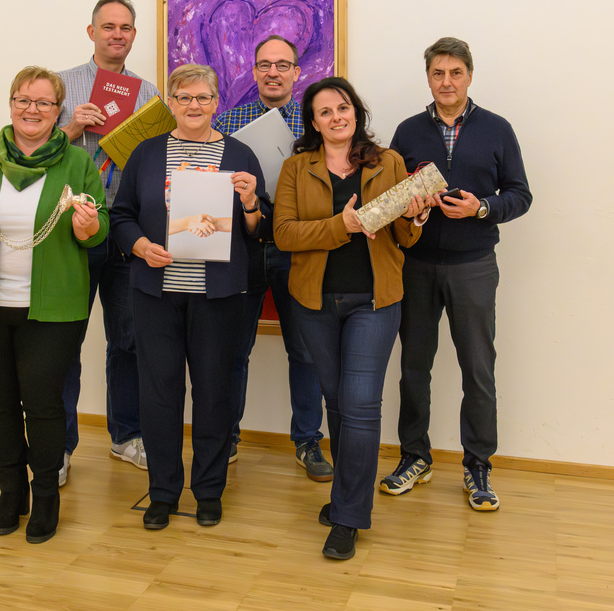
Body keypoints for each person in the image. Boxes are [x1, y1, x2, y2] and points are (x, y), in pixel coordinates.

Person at [0, 67, 109, 543]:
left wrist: (88, 226)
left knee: (43, 403)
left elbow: (100, 231)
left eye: (44, 103)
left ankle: (46, 495)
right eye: (23, 100)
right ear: (11, 104)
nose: (32, 110)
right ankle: (11, 492)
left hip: (54, 309)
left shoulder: (77, 162)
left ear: (59, 111)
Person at [273, 77, 427, 560]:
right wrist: (341, 225)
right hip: (314, 302)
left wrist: (415, 218)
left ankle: (348, 517)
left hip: (374, 301)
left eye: (343, 108)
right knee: (338, 403)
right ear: (313, 123)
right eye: (325, 112)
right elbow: (284, 235)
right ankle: (345, 496)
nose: (336, 117)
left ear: (356, 112)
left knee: (360, 404)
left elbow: (403, 238)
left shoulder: (390, 162)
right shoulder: (296, 168)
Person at [110, 64, 269, 531]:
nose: (193, 105)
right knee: (159, 394)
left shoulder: (239, 154)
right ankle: (162, 492)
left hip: (218, 295)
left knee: (214, 393)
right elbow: (121, 216)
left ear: (216, 103)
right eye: (184, 97)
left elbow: (260, 230)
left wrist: (250, 203)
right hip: (156, 293)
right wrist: (140, 246)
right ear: (172, 103)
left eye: (202, 97)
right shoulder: (147, 152)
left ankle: (208, 490)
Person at [381, 37, 532, 511]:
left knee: (478, 369)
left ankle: (478, 466)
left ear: (469, 75)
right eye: (438, 73)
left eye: (455, 73)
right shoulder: (407, 132)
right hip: (416, 266)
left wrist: (481, 207)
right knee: (413, 368)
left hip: (473, 266)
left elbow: (520, 194)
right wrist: (413, 209)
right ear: (428, 78)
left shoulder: (497, 129)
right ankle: (415, 457)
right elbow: (392, 198)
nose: (446, 82)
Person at [214, 35, 332, 481]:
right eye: (264, 64)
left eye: (283, 65)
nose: (273, 73)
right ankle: (226, 437)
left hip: (295, 248)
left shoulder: (315, 123)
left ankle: (307, 441)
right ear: (254, 71)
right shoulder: (227, 121)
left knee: (304, 349)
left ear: (297, 73)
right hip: (242, 247)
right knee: (232, 349)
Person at [58, 0, 159, 483]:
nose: (117, 34)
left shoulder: (149, 94)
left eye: (125, 28)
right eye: (108, 26)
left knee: (129, 340)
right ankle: (59, 446)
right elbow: (35, 149)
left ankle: (127, 436)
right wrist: (72, 126)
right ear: (91, 32)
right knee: (64, 340)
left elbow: (158, 162)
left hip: (124, 229)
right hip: (73, 229)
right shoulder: (61, 86)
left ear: (133, 35)